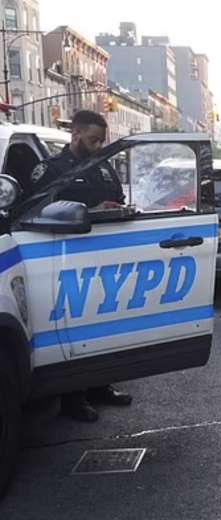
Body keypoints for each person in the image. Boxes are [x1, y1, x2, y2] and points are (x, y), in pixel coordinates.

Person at [30, 110, 132, 422]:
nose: (98, 145)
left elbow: (117, 196)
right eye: (92, 140)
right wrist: (90, 209)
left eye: (102, 140)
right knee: (72, 328)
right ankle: (73, 399)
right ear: (75, 135)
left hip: (104, 258)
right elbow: (37, 209)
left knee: (102, 326)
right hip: (66, 261)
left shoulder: (103, 168)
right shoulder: (50, 170)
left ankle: (100, 386)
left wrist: (118, 209)